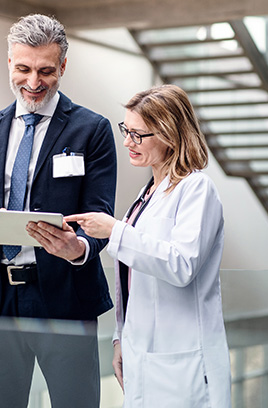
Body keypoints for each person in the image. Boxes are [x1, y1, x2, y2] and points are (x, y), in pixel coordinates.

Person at [0, 14, 117, 408]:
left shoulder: (92, 130)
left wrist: (79, 249)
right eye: (23, 68)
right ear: (9, 63)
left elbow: (100, 216)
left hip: (65, 299)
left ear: (62, 67)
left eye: (45, 71)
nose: (33, 82)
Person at [65, 84, 231, 407]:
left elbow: (181, 265)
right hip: (141, 357)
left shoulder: (197, 190)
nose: (127, 141)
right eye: (126, 130)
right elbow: (132, 283)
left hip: (184, 365)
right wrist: (120, 339)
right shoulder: (145, 198)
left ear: (169, 134)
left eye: (138, 135)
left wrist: (114, 231)